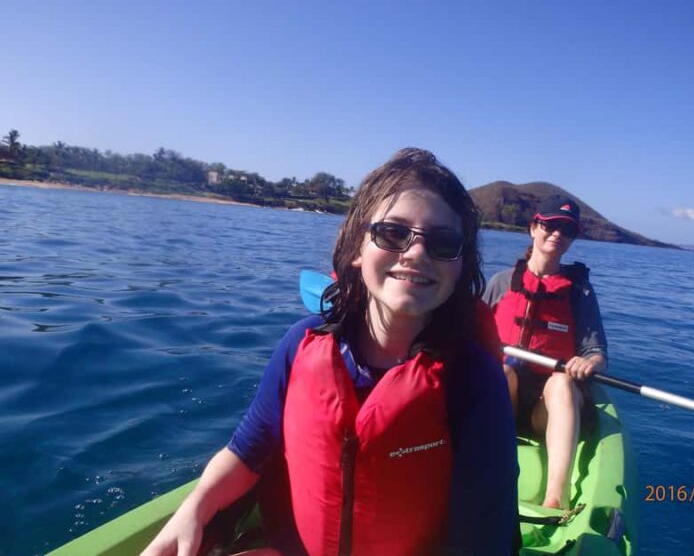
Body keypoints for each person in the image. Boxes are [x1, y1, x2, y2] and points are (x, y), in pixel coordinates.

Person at [142, 148, 518, 556]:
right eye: (393, 233)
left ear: (462, 265)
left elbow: (484, 534)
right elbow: (247, 452)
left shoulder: (474, 378)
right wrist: (194, 510)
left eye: (443, 242)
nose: (415, 253)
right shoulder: (301, 344)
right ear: (357, 248)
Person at [483, 195, 607, 510]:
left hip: (548, 408)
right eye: (550, 225)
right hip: (503, 402)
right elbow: (471, 335)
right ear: (534, 228)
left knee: (561, 381)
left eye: (566, 230)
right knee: (502, 371)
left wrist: (587, 362)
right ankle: (484, 474)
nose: (556, 234)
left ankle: (556, 497)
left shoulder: (579, 293)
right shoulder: (501, 283)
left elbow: (596, 352)